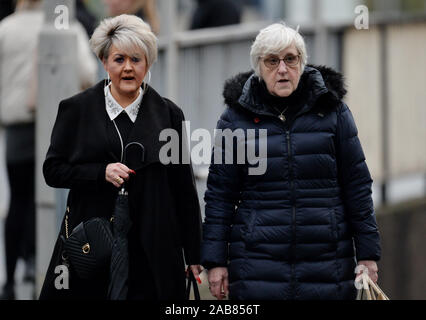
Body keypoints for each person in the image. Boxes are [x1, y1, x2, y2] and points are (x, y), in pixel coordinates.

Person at [201, 23, 381, 300]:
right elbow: (220, 196)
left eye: (290, 59)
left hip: (327, 264)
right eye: (272, 61)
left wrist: (368, 255)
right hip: (256, 266)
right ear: (259, 67)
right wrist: (215, 262)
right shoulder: (234, 120)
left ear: (302, 62)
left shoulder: (333, 112)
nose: (282, 69)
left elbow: (357, 185)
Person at [39, 14, 202, 300]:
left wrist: (194, 253)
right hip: (92, 244)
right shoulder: (76, 109)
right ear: (104, 62)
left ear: (148, 63)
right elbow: (53, 170)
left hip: (153, 247)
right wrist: (99, 172)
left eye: (136, 59)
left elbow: (183, 188)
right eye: (119, 59)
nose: (128, 68)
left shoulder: (169, 114)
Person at [0, 0, 97, 300]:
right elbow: (86, 70)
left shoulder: (5, 29)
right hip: (58, 123)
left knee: (18, 199)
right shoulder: (65, 24)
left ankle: (11, 278)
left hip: (18, 125)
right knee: (56, 197)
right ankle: (47, 266)